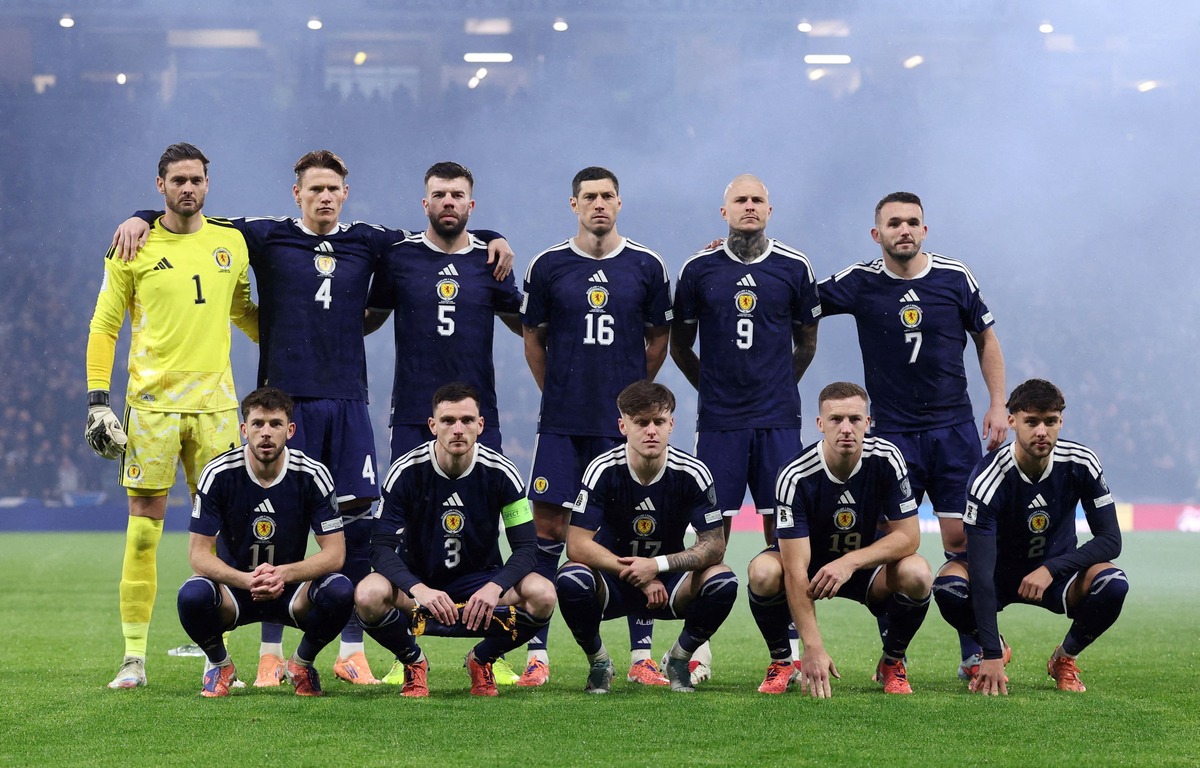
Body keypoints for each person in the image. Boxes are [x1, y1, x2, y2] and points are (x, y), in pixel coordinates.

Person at [112, 150, 514, 687]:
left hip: (347, 401)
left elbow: (443, 230)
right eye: (314, 189)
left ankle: (351, 650)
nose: (324, 197)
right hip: (283, 404)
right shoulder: (265, 234)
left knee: (355, 524)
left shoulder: (371, 240)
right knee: (271, 519)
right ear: (296, 193)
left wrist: (491, 234)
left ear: (345, 194)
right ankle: (269, 653)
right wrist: (142, 213)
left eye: (333, 189)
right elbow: (190, 215)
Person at [85, 142, 258, 689]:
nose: (189, 188)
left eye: (197, 180)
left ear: (209, 184)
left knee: (226, 534)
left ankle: (217, 652)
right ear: (159, 186)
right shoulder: (131, 243)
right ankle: (134, 657)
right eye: (178, 180)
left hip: (217, 409)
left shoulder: (232, 241)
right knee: (142, 534)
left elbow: (246, 314)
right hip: (153, 408)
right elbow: (105, 325)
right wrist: (97, 401)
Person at [817, 191, 1007, 675]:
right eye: (894, 223)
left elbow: (986, 338)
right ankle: (892, 656)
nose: (905, 230)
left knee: (962, 539)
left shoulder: (954, 277)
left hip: (953, 429)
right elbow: (796, 298)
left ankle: (974, 651)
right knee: (890, 543)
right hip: (892, 435)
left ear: (925, 230)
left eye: (913, 222)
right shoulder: (859, 281)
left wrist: (999, 404)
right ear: (876, 234)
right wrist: (738, 257)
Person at [519, 166, 673, 686]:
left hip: (619, 428)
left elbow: (658, 341)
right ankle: (537, 654)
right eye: (589, 197)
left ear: (620, 203)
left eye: (608, 196)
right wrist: (557, 392)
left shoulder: (647, 266)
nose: (599, 204)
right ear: (574, 204)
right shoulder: (548, 265)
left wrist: (630, 404)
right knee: (546, 529)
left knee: (632, 531)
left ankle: (640, 657)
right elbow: (533, 340)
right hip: (563, 423)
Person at [670, 174, 821, 681]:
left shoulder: (794, 267)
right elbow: (679, 346)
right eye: (740, 200)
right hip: (719, 425)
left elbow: (807, 341)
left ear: (769, 210)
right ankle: (697, 648)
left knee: (788, 537)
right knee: (711, 537)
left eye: (758, 200)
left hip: (779, 423)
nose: (749, 207)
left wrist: (779, 386)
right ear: (724, 211)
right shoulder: (698, 269)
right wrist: (712, 390)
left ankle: (795, 651)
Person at [354, 382, 555, 697]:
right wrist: (418, 588)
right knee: (367, 594)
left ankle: (482, 659)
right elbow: (380, 549)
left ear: (480, 425)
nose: (458, 429)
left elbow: (527, 549)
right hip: (419, 589)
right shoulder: (405, 472)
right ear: (433, 426)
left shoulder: (503, 473)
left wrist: (495, 587)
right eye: (448, 421)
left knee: (543, 593)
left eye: (467, 420)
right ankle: (413, 661)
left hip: (483, 587)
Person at [934, 379, 1128, 694]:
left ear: (1061, 422)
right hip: (996, 576)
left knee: (1113, 583)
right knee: (949, 587)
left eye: (1050, 421)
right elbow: (981, 572)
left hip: (1057, 575)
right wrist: (992, 656)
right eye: (1032, 422)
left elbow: (1110, 541)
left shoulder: (1081, 463)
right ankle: (992, 645)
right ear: (1012, 422)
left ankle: (1065, 658)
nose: (1042, 431)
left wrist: (1051, 568)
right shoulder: (988, 478)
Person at [555, 381, 738, 693]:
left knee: (723, 581)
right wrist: (639, 574)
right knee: (571, 578)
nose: (651, 430)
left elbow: (714, 545)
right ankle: (599, 662)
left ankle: (679, 658)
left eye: (659, 422)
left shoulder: (693, 472)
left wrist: (657, 567)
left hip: (668, 584)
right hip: (612, 581)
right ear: (623, 425)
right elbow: (577, 543)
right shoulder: (602, 470)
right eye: (641, 422)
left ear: (671, 425)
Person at [176, 387, 354, 697]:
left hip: (290, 592)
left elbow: (336, 553)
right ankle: (221, 665)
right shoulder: (217, 474)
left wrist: (283, 574)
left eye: (275, 423)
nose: (266, 432)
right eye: (257, 424)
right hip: (235, 590)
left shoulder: (313, 475)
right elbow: (199, 555)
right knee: (191, 596)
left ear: (290, 429)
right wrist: (245, 580)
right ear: (244, 429)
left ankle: (301, 664)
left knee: (340, 590)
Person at [762, 382, 932, 697]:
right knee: (763, 571)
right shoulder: (794, 475)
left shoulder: (887, 458)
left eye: (855, 419)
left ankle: (892, 662)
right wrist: (812, 647)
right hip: (812, 569)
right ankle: (784, 661)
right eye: (836, 419)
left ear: (868, 423)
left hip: (863, 568)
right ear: (819, 424)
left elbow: (909, 536)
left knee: (918, 573)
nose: (846, 429)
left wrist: (848, 563)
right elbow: (796, 569)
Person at [365, 161, 522, 460]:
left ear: (470, 204)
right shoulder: (399, 256)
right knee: (410, 502)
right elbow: (372, 317)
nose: (448, 201)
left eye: (457, 195)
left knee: (488, 502)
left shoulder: (490, 259)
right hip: (414, 411)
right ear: (425, 204)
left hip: (477, 413)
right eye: (439, 195)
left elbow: (523, 324)